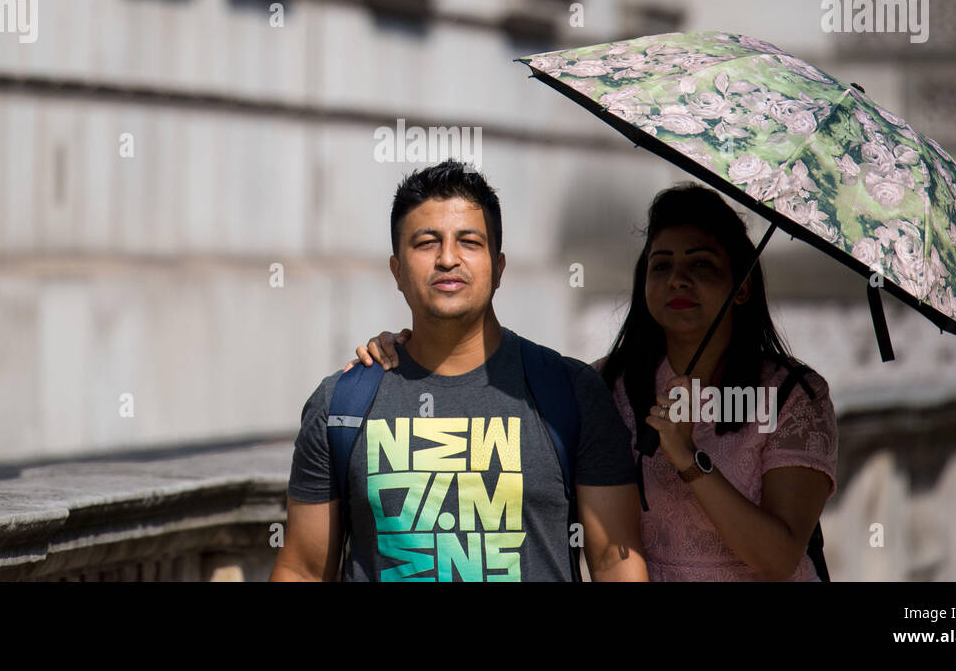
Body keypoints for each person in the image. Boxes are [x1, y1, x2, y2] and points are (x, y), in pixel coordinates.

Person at [355, 182, 838, 581]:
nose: (679, 281)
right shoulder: (604, 385)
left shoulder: (792, 398)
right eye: (662, 265)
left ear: (743, 287)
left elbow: (778, 558)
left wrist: (690, 460)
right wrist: (414, 351)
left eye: (702, 266)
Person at [270, 160, 648, 582]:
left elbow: (615, 560)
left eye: (469, 241)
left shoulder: (571, 392)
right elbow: (302, 569)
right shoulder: (341, 404)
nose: (447, 258)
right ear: (397, 270)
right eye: (426, 242)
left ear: (498, 267)